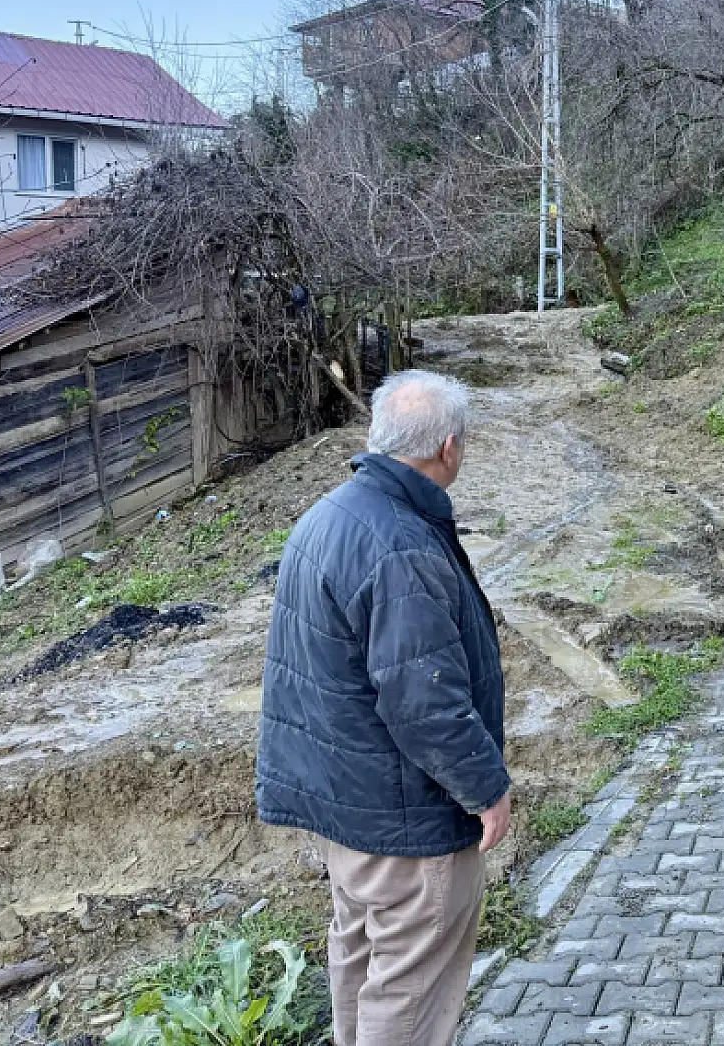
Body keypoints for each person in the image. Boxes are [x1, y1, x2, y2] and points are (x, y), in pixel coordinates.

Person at [256, 370, 510, 1046]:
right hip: (403, 816)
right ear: (449, 446)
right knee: (407, 986)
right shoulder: (400, 543)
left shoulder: (329, 515)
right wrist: (486, 790)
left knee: (361, 955)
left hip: (343, 805)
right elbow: (425, 700)